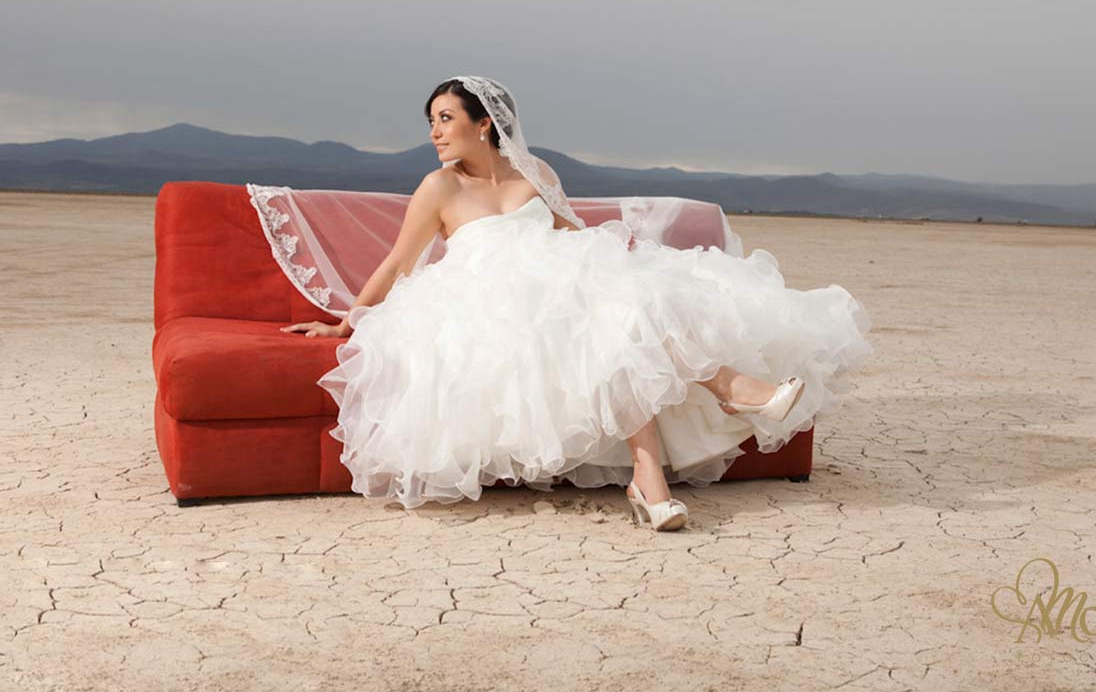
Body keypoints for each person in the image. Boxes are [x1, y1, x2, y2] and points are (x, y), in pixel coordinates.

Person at [281, 75, 872, 531]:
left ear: (484, 123)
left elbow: (573, 238)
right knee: (606, 313)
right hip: (487, 301)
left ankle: (650, 481)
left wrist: (619, 268)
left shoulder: (534, 172)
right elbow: (397, 263)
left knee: (619, 307)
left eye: (445, 118)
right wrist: (345, 323)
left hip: (561, 284)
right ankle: (731, 392)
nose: (434, 132)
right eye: (430, 121)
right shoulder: (441, 187)